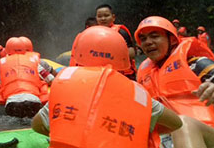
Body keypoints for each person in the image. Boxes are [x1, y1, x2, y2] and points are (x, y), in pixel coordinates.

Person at [32, 25, 183, 148]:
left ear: (79, 55)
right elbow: (176, 123)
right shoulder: (137, 93)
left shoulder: (65, 85)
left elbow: (37, 124)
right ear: (122, 57)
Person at [135, 16, 214, 145]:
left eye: (155, 36)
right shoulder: (142, 74)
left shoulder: (196, 64)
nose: (148, 42)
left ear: (173, 40)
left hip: (213, 135)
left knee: (183, 124)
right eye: (143, 39)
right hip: (167, 140)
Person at [0, 37, 55, 118]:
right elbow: (51, 79)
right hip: (33, 102)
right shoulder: (34, 62)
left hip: (12, 104)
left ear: (7, 50)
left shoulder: (2, 64)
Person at [95, 4, 137, 79]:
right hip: (103, 73)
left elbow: (131, 53)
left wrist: (111, 56)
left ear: (113, 17)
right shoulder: (94, 34)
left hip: (123, 74)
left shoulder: (121, 32)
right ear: (96, 19)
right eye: (100, 16)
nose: (103, 18)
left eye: (106, 15)